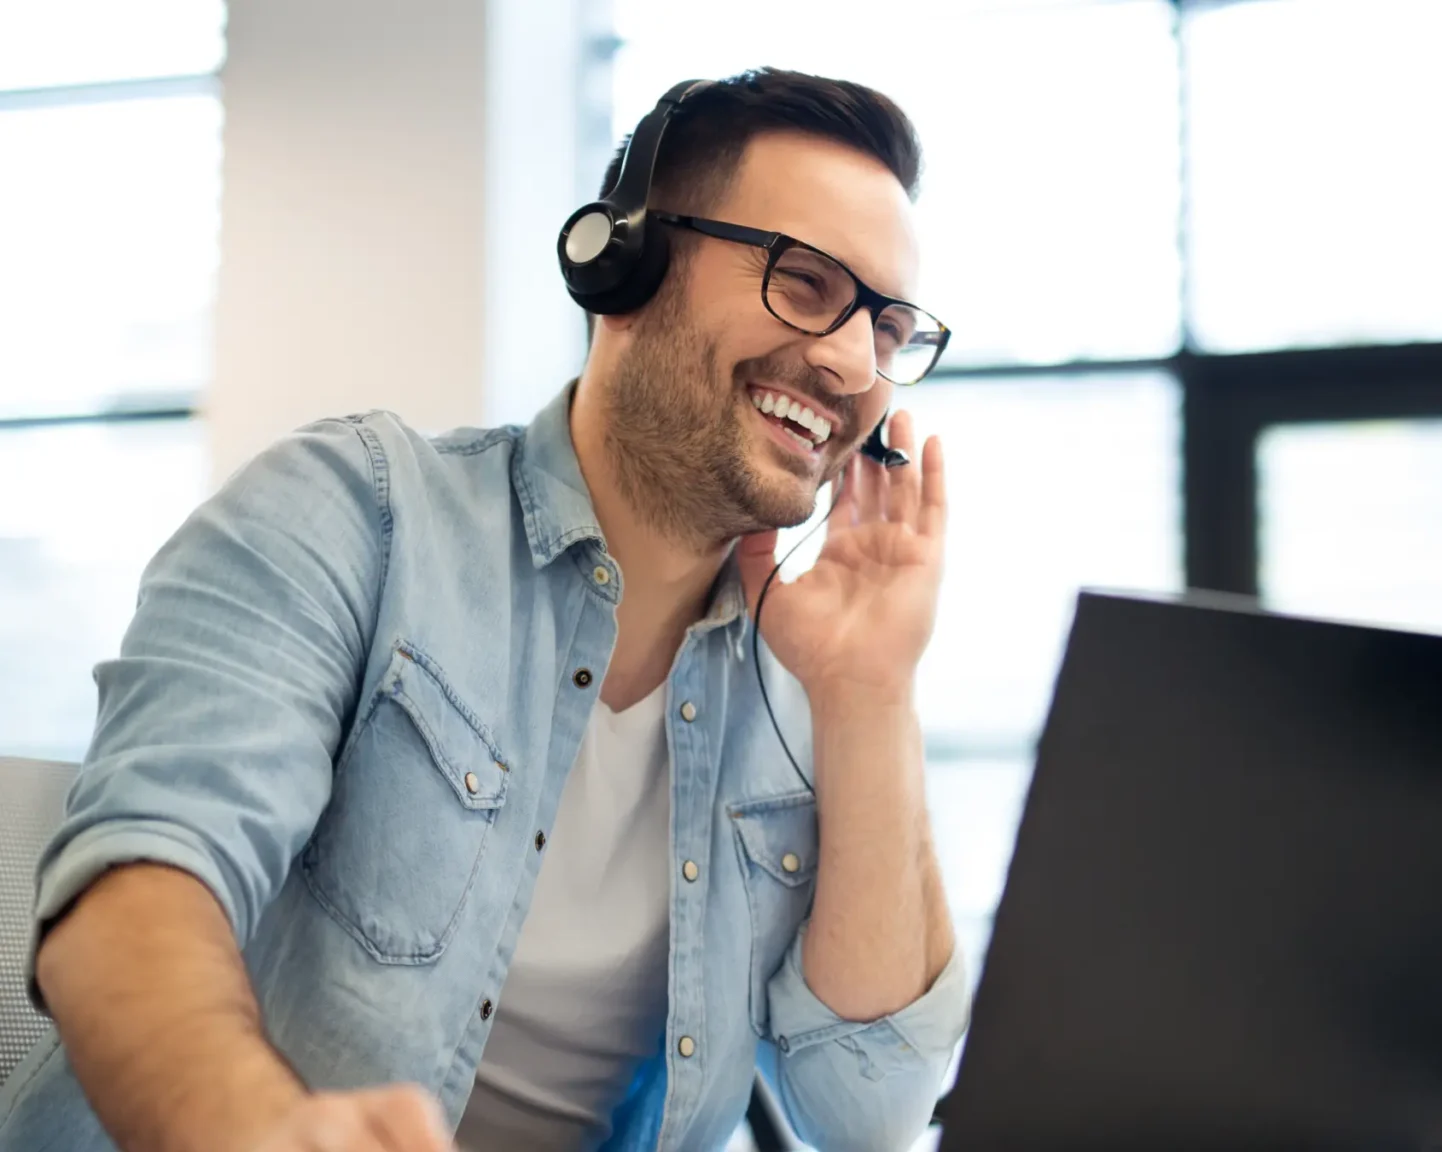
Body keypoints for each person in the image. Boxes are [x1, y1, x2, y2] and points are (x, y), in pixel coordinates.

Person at [0, 68, 966, 1152]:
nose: (849, 361)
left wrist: (870, 693)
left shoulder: (812, 682)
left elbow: (869, 1116)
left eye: (886, 329)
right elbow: (138, 890)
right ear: (624, 262)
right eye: (803, 281)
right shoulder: (351, 514)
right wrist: (255, 1129)